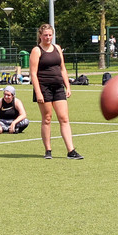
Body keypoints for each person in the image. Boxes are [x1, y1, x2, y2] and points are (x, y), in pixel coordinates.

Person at [28, 23, 80, 159]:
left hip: (58, 87)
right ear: (40, 36)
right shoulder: (37, 50)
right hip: (44, 88)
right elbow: (33, 73)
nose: (48, 37)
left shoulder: (57, 48)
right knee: (47, 118)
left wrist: (67, 85)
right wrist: (38, 92)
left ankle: (71, 151)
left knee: (64, 118)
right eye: (45, 35)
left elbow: (62, 68)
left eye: (50, 35)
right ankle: (48, 150)